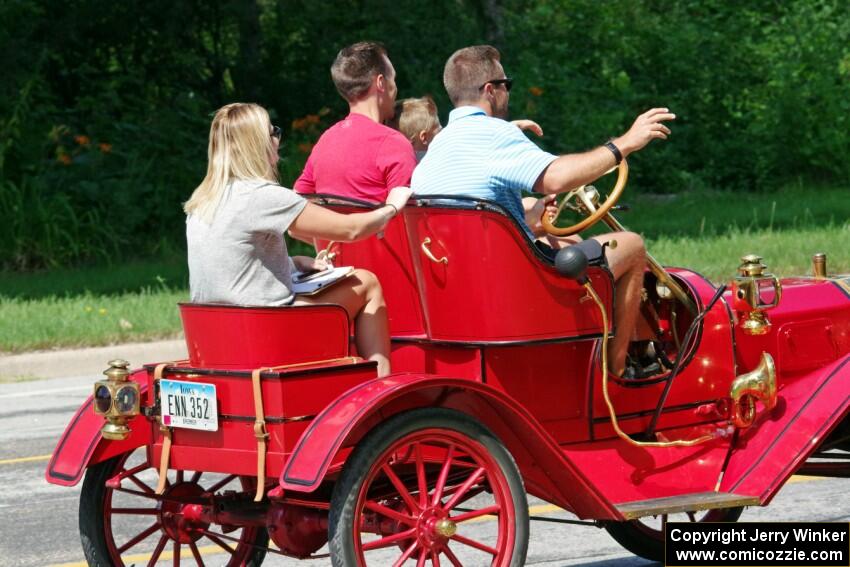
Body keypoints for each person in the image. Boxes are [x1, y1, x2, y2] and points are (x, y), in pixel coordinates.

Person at [412, 45, 675, 378]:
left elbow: (477, 212)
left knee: (571, 240)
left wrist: (527, 221)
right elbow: (558, 177)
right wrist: (623, 144)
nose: (508, 92)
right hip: (511, 289)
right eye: (507, 84)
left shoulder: (439, 144)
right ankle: (620, 371)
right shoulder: (495, 135)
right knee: (633, 246)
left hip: (463, 286)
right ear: (490, 90)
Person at [185, 103, 412, 377]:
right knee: (367, 282)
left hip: (216, 335)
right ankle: (382, 387)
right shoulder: (263, 196)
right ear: (258, 144)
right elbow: (351, 229)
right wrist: (392, 207)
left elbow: (231, 262)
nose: (276, 140)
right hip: (267, 331)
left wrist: (292, 264)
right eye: (272, 133)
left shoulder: (202, 200)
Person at [294, 42, 416, 203]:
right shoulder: (394, 144)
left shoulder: (326, 140)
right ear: (380, 83)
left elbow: (296, 204)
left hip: (328, 228)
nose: (395, 87)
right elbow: (405, 219)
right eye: (393, 79)